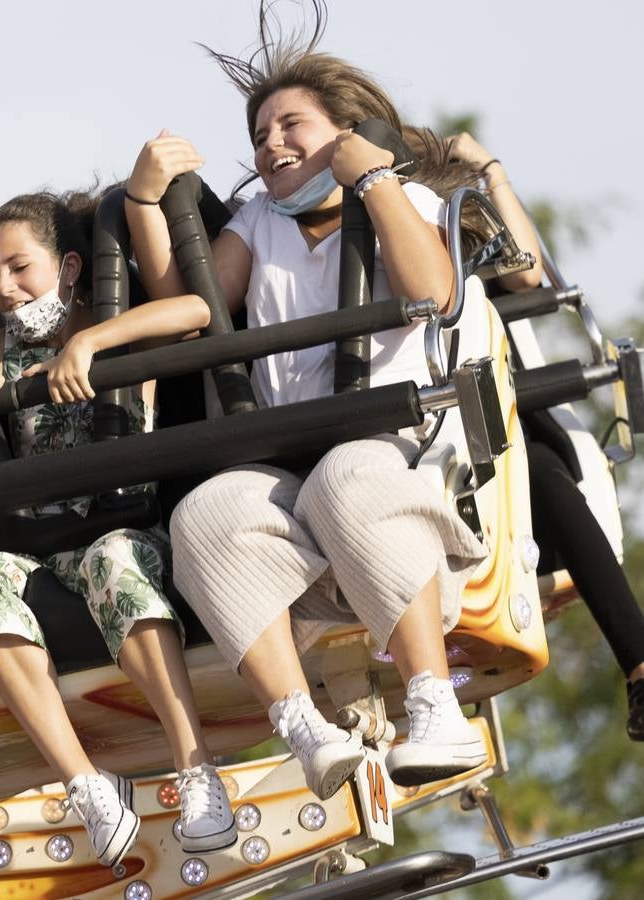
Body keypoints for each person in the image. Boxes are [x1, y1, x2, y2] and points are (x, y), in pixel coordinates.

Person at [118, 4, 491, 798]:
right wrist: (143, 205)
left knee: (347, 476)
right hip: (292, 461)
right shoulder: (259, 222)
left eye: (292, 125)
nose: (271, 145)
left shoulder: (406, 203)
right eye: (259, 136)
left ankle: (435, 706)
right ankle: (302, 727)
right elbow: (194, 311)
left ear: (345, 134)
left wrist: (377, 177)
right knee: (207, 513)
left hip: (395, 457)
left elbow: (433, 292)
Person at [0, 190, 236, 866]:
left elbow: (195, 311)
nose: (7, 291)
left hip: (122, 531)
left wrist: (94, 342)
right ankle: (86, 785)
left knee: (111, 563)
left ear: (68, 267)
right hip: (37, 548)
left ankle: (197, 770)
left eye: (20, 269)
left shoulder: (112, 316)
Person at [446, 131, 644, 741]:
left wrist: (489, 172)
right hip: (413, 436)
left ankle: (637, 661)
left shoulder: (443, 224)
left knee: (530, 469)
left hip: (493, 428)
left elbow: (525, 275)